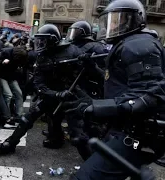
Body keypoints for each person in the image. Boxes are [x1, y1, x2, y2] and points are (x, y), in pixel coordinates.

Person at [64, 0, 165, 179]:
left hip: (137, 135)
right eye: (111, 20)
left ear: (136, 20)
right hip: (127, 128)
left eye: (119, 20)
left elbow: (147, 97)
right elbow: (116, 82)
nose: (113, 25)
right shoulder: (128, 43)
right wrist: (92, 69)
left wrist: (97, 108)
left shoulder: (138, 45)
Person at [0, 24, 84, 153]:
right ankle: (11, 142)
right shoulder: (41, 57)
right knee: (29, 117)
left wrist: (86, 61)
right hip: (51, 94)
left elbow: (86, 73)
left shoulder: (73, 51)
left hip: (70, 94)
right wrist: (56, 94)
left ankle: (87, 154)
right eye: (39, 40)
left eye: (43, 41)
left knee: (75, 129)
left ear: (52, 40)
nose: (40, 44)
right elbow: (38, 83)